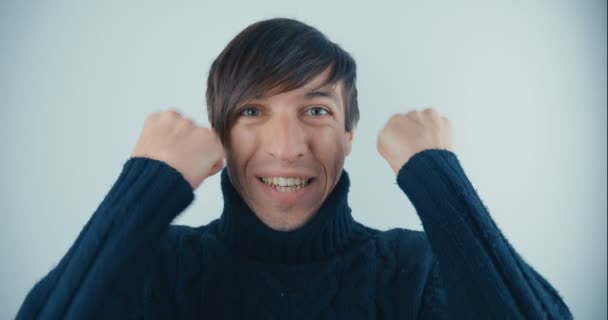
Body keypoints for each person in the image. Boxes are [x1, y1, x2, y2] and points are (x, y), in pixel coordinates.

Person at [16, 18, 572, 319]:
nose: (286, 147)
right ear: (220, 134)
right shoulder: (156, 265)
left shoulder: (417, 269)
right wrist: (148, 181)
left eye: (316, 110)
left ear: (349, 133)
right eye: (253, 111)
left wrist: (437, 176)